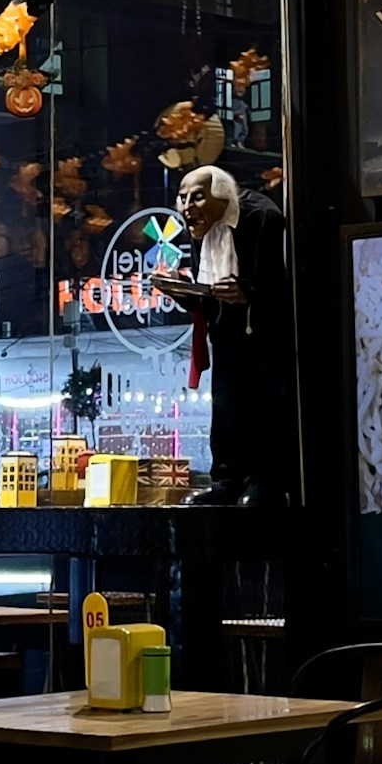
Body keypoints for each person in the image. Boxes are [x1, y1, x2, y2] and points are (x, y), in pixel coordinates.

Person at [157, 160, 292, 505]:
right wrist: (180, 291)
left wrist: (248, 292)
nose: (188, 207)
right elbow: (206, 294)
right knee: (226, 407)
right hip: (226, 332)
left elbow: (280, 285)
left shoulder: (261, 217)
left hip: (264, 332)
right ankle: (227, 479)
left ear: (222, 196)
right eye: (183, 199)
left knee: (265, 404)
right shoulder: (200, 230)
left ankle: (266, 481)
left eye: (197, 197)